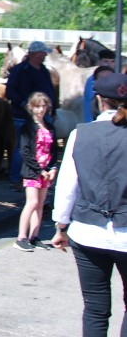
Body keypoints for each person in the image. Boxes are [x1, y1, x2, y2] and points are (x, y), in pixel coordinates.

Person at [52, 72, 127, 336]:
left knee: (94, 309)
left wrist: (61, 226)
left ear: (98, 100)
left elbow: (67, 186)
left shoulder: (80, 134)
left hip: (87, 231)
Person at [6, 41, 57, 191]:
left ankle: (42, 175)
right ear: (36, 54)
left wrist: (52, 110)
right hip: (23, 116)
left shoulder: (43, 70)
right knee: (22, 148)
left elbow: (50, 91)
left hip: (43, 115)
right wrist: (22, 103)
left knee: (45, 146)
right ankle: (16, 179)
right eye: (43, 52)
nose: (45, 55)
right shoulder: (20, 70)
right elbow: (10, 91)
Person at [13, 91, 59, 251]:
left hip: (45, 171)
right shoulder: (28, 127)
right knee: (31, 203)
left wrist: (52, 167)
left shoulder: (49, 127)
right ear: (31, 108)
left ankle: (35, 235)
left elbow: (54, 150)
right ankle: (21, 237)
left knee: (40, 204)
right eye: (38, 106)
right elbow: (25, 151)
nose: (41, 110)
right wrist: (39, 169)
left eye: (44, 106)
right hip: (33, 170)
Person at [83, 50, 117, 122]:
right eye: (106, 61)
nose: (109, 64)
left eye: (112, 61)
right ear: (99, 62)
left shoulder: (116, 79)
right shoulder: (93, 80)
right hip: (94, 121)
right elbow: (92, 104)